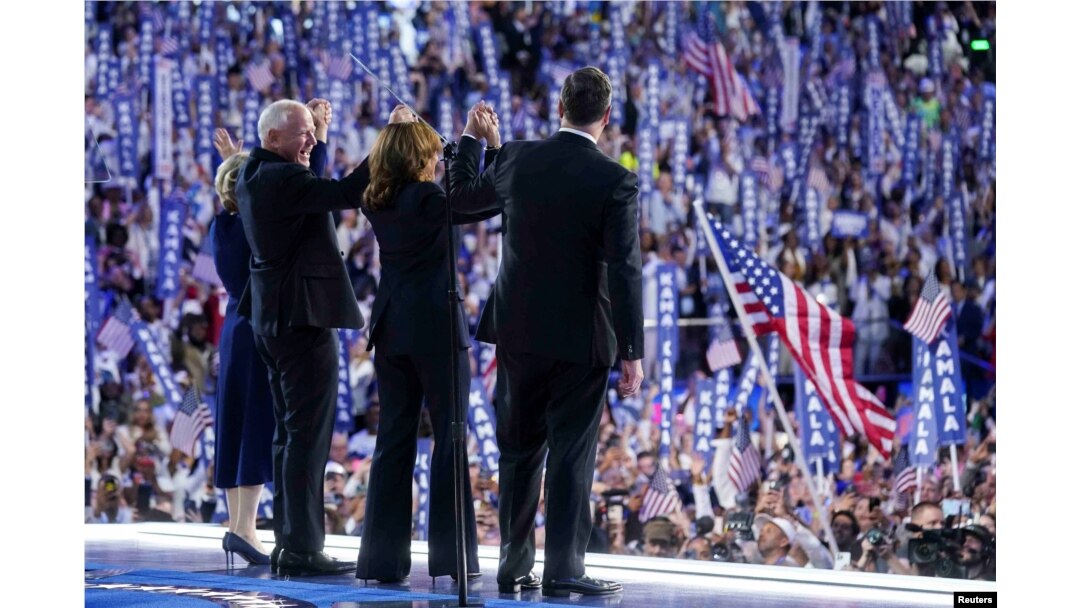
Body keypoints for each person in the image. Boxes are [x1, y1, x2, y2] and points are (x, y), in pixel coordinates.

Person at [450, 66, 644, 597]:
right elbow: (626, 270)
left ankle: (513, 567)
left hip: (519, 331)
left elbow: (461, 199)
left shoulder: (517, 157)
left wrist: (472, 139)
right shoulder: (616, 179)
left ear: (560, 108)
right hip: (583, 339)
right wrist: (632, 352)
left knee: (517, 451)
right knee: (570, 456)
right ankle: (564, 569)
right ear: (606, 116)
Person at [235, 98, 395, 576]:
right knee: (307, 437)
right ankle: (303, 549)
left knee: (291, 436)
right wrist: (387, 139)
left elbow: (310, 189)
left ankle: (292, 543)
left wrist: (320, 137)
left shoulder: (257, 174)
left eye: (311, 132)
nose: (310, 139)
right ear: (272, 138)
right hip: (301, 320)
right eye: (301, 133)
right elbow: (344, 192)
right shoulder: (282, 179)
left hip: (275, 318)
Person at [354, 106, 503, 583]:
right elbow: (481, 199)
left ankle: (381, 561)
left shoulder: (375, 197)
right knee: (450, 436)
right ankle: (453, 559)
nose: (439, 161)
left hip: (392, 328)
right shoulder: (423, 197)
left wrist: (411, 134)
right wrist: (474, 143)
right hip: (436, 329)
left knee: (392, 442)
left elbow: (455, 192)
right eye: (434, 155)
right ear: (420, 158)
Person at [208, 118, 328, 567]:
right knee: (258, 425)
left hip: (234, 331)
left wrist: (232, 166)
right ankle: (244, 528)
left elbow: (238, 194)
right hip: (258, 325)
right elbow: (306, 198)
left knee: (236, 425)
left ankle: (240, 526)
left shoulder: (224, 225)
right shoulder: (252, 225)